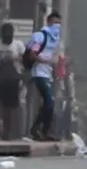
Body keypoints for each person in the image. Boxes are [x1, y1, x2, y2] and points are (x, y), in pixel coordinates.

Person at [27, 12, 62, 141]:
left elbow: (55, 58)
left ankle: (43, 130)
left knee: (49, 103)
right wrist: (46, 61)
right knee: (48, 102)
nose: (57, 26)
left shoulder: (55, 40)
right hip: (38, 73)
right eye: (55, 23)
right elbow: (32, 54)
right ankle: (38, 129)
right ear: (48, 22)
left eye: (59, 23)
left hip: (48, 74)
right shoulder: (40, 36)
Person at [0, 23, 25, 140]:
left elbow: (26, 59)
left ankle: (12, 132)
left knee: (12, 108)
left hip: (14, 79)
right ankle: (5, 131)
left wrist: (15, 58)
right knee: (4, 108)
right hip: (2, 79)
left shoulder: (18, 45)